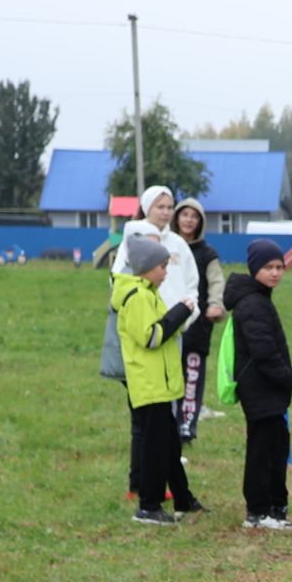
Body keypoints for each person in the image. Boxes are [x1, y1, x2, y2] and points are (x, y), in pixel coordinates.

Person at [104, 186, 195, 498]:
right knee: (149, 424)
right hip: (149, 355)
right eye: (160, 206)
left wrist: (186, 314)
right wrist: (175, 316)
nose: (166, 212)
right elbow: (148, 334)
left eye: (170, 206)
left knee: (166, 426)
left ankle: (178, 494)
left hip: (168, 346)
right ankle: (146, 493)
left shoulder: (178, 246)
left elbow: (191, 285)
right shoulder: (135, 285)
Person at [111, 235, 202, 526]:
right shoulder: (137, 297)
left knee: (170, 444)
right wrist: (180, 312)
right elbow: (151, 337)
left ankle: (183, 498)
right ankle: (148, 506)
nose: (165, 272)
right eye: (162, 266)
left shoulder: (149, 292)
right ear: (146, 268)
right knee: (155, 447)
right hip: (149, 385)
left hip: (161, 384)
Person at [225, 240, 292, 530]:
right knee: (264, 450)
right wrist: (285, 376)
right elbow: (263, 350)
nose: (275, 273)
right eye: (269, 267)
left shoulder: (260, 297)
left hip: (266, 389)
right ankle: (259, 510)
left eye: (280, 267)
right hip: (260, 388)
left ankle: (272, 505)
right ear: (255, 269)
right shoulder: (253, 303)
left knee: (275, 444)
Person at [173, 198, 226, 442]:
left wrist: (216, 305)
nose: (188, 220)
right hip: (168, 323)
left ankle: (187, 425)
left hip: (197, 326)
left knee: (191, 376)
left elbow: (216, 282)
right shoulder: (167, 246)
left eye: (194, 216)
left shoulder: (207, 254)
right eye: (184, 214)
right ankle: (168, 423)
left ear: (200, 222)